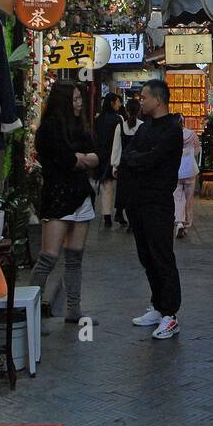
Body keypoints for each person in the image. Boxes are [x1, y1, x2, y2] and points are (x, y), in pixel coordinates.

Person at [28, 83, 98, 324]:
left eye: (80, 98)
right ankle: (31, 314)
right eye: (76, 99)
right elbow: (68, 161)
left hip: (81, 196)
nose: (79, 103)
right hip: (57, 196)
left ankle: (74, 310)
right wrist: (80, 158)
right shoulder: (49, 129)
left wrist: (81, 158)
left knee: (75, 257)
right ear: (64, 101)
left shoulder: (80, 126)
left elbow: (95, 156)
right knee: (48, 257)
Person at [121, 80, 183, 340]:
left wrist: (138, 160)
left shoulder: (172, 129)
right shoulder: (144, 129)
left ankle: (170, 314)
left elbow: (151, 160)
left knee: (162, 256)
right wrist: (138, 159)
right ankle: (158, 307)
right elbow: (128, 155)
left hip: (158, 203)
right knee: (146, 257)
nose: (141, 101)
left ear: (158, 100)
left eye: (144, 97)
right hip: (138, 202)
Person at [111, 94, 142, 228]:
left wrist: (114, 166)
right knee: (135, 193)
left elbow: (116, 147)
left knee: (122, 190)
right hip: (137, 164)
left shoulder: (120, 126)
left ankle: (119, 212)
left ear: (127, 111)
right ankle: (132, 221)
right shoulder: (143, 126)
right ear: (139, 110)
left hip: (124, 164)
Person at [93, 91, 123, 228]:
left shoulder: (98, 119)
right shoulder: (118, 119)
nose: (120, 104)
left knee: (106, 187)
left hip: (102, 155)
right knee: (119, 187)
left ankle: (106, 216)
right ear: (112, 103)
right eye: (118, 102)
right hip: (116, 155)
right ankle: (119, 212)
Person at [173, 115, 201, 238]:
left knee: (178, 198)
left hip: (176, 171)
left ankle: (179, 221)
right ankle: (186, 225)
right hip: (190, 170)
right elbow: (197, 149)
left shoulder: (172, 135)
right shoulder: (192, 134)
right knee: (189, 200)